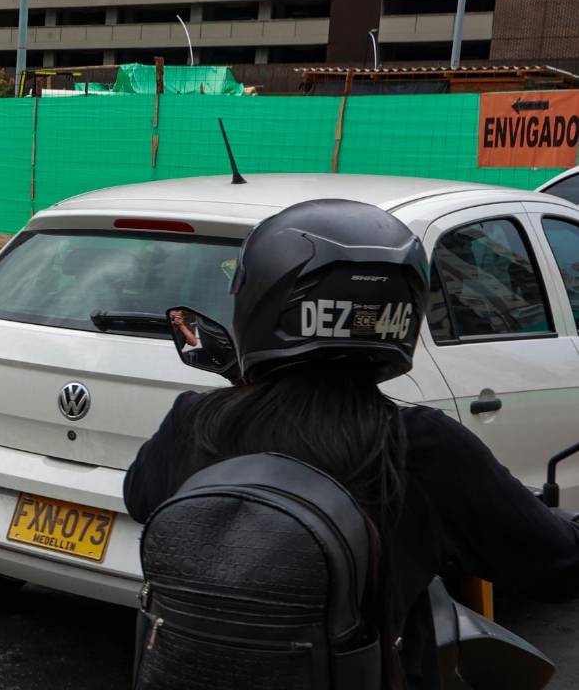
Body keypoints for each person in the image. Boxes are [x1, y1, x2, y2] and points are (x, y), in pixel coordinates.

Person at [123, 199, 579, 689]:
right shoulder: (420, 444)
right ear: (404, 313)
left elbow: (140, 499)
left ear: (260, 300)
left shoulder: (194, 419)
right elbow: (557, 567)